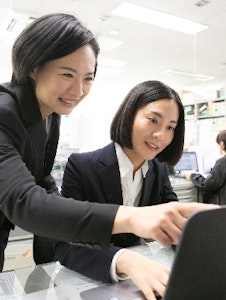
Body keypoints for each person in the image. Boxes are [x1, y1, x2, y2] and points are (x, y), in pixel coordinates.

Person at [0, 13, 213, 285]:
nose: (78, 90)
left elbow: (42, 181)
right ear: (33, 67)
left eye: (88, 78)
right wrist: (133, 218)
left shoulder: (49, 115)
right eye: (67, 74)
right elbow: (24, 202)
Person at [54, 80, 185, 299]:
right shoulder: (82, 166)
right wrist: (122, 260)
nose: (160, 135)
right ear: (129, 115)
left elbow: (175, 223)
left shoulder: (158, 169)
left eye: (170, 127)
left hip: (140, 282)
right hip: (93, 280)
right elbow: (65, 245)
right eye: (153, 120)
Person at [186, 129, 226, 205]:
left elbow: (207, 185)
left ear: (222, 144)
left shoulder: (223, 162)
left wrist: (192, 176)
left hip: (223, 208)